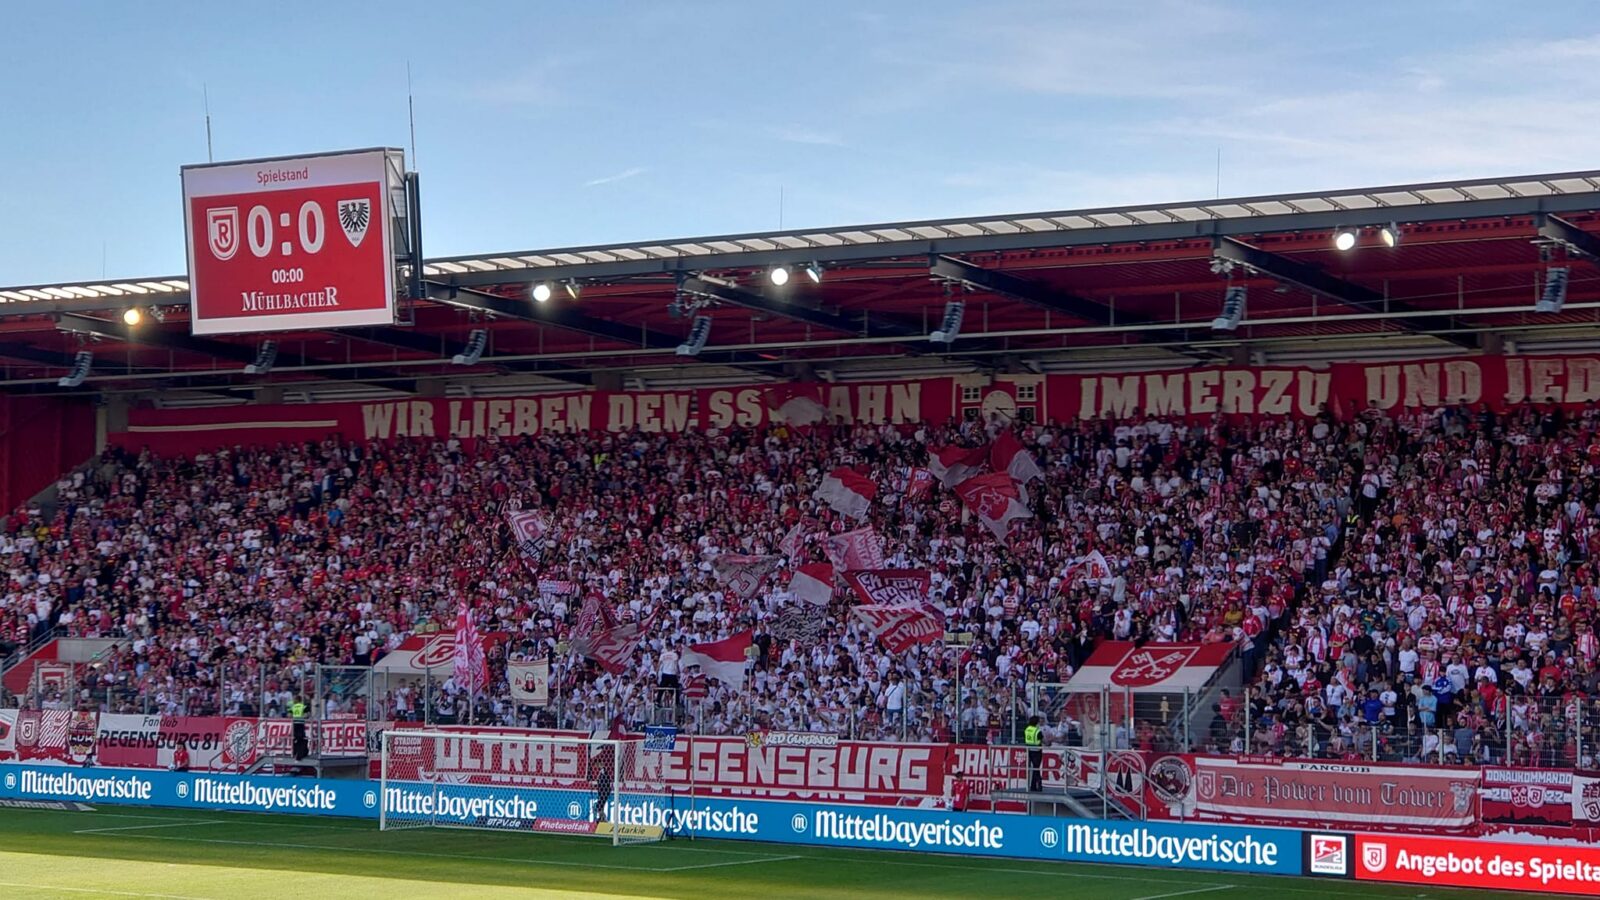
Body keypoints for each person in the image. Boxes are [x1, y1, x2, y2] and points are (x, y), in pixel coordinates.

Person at [1024, 715, 1044, 791]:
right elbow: (1042, 740)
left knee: (1035, 768)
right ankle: (1039, 782)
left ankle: (1033, 785)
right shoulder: (1037, 731)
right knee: (1036, 768)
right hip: (1037, 750)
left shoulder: (1027, 729)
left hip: (1029, 750)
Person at [290, 694, 309, 760]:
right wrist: (301, 717)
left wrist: (295, 717)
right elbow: (307, 715)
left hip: (294, 723)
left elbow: (289, 715)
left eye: (294, 699)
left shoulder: (293, 707)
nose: (293, 700)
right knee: (301, 738)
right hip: (300, 723)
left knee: (295, 738)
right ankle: (300, 753)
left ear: (297, 700)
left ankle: (295, 752)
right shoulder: (303, 706)